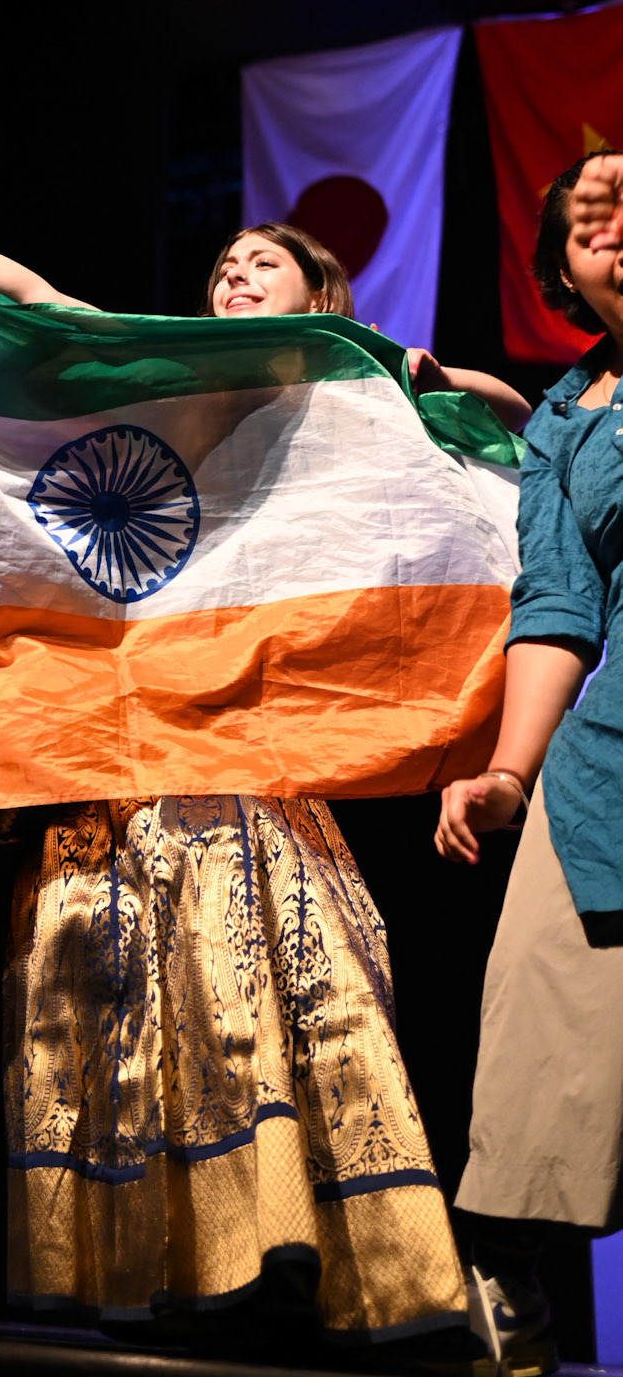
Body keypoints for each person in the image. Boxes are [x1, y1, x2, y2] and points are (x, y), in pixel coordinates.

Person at [0, 143, 529, 1346]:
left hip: (249, 747)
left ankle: (305, 1254)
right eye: (225, 262)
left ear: (320, 296)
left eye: (266, 262)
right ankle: (164, 1265)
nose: (236, 272)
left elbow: (509, 418)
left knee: (265, 982)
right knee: (109, 987)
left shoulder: (350, 390)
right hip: (123, 733)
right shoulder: (165, 372)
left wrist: (412, 368)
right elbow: (41, 303)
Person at [438, 149, 623, 1377]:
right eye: (589, 221)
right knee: (548, 1020)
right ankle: (509, 1281)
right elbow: (558, 601)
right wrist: (508, 774)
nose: (615, 224)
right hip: (608, 759)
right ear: (562, 271)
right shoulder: (569, 416)